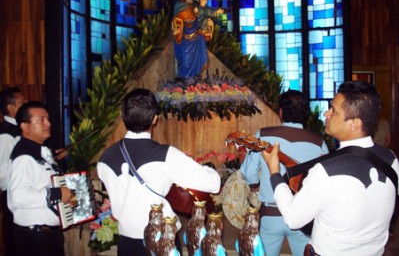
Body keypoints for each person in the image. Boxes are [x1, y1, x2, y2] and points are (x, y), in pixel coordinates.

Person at [262, 80, 399, 255]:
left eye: (334, 110)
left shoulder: (326, 171)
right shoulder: (391, 159)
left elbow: (292, 218)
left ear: (355, 123)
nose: (326, 113)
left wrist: (274, 173)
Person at [97, 88, 221, 256]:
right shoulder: (166, 155)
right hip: (162, 242)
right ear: (155, 118)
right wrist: (202, 168)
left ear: (122, 115)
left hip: (126, 245)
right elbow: (213, 184)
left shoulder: (104, 159)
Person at [240, 89, 329, 256]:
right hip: (304, 216)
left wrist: (255, 185)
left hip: (271, 215)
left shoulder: (263, 136)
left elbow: (248, 171)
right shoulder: (319, 143)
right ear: (305, 114)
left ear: (280, 112)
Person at [7, 101, 73, 256]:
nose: (48, 124)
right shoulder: (24, 157)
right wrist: (57, 194)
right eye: (41, 120)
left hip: (47, 236)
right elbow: (19, 197)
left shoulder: (40, 151)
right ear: (25, 126)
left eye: (48, 119)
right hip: (35, 238)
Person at [0, 87, 26, 256]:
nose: (26, 105)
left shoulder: (19, 129)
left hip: (20, 193)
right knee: (15, 242)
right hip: (12, 194)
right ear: (10, 108)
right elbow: (3, 172)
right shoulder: (5, 135)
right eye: (22, 102)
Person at [171, 0, 209, 79]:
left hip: (197, 39)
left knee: (203, 60)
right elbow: (175, 22)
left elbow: (203, 20)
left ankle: (200, 81)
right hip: (184, 40)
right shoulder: (178, 6)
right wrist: (177, 30)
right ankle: (186, 82)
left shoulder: (197, 5)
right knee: (185, 63)